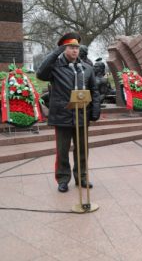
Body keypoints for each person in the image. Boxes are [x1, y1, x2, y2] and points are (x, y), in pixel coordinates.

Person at [36, 32, 100, 193]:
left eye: (76, 48)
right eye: (71, 47)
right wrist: (56, 52)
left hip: (81, 115)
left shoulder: (86, 68)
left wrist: (95, 110)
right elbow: (40, 73)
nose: (74, 51)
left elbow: (94, 90)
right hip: (62, 116)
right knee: (62, 151)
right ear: (64, 49)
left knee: (82, 150)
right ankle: (63, 179)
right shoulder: (55, 67)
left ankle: (82, 177)